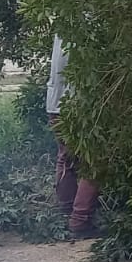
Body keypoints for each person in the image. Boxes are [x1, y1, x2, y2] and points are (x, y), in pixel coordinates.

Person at [48, 33, 102, 238]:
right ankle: (80, 221)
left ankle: (64, 212)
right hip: (80, 105)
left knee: (66, 157)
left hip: (55, 104)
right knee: (94, 162)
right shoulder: (91, 24)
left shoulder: (63, 26)